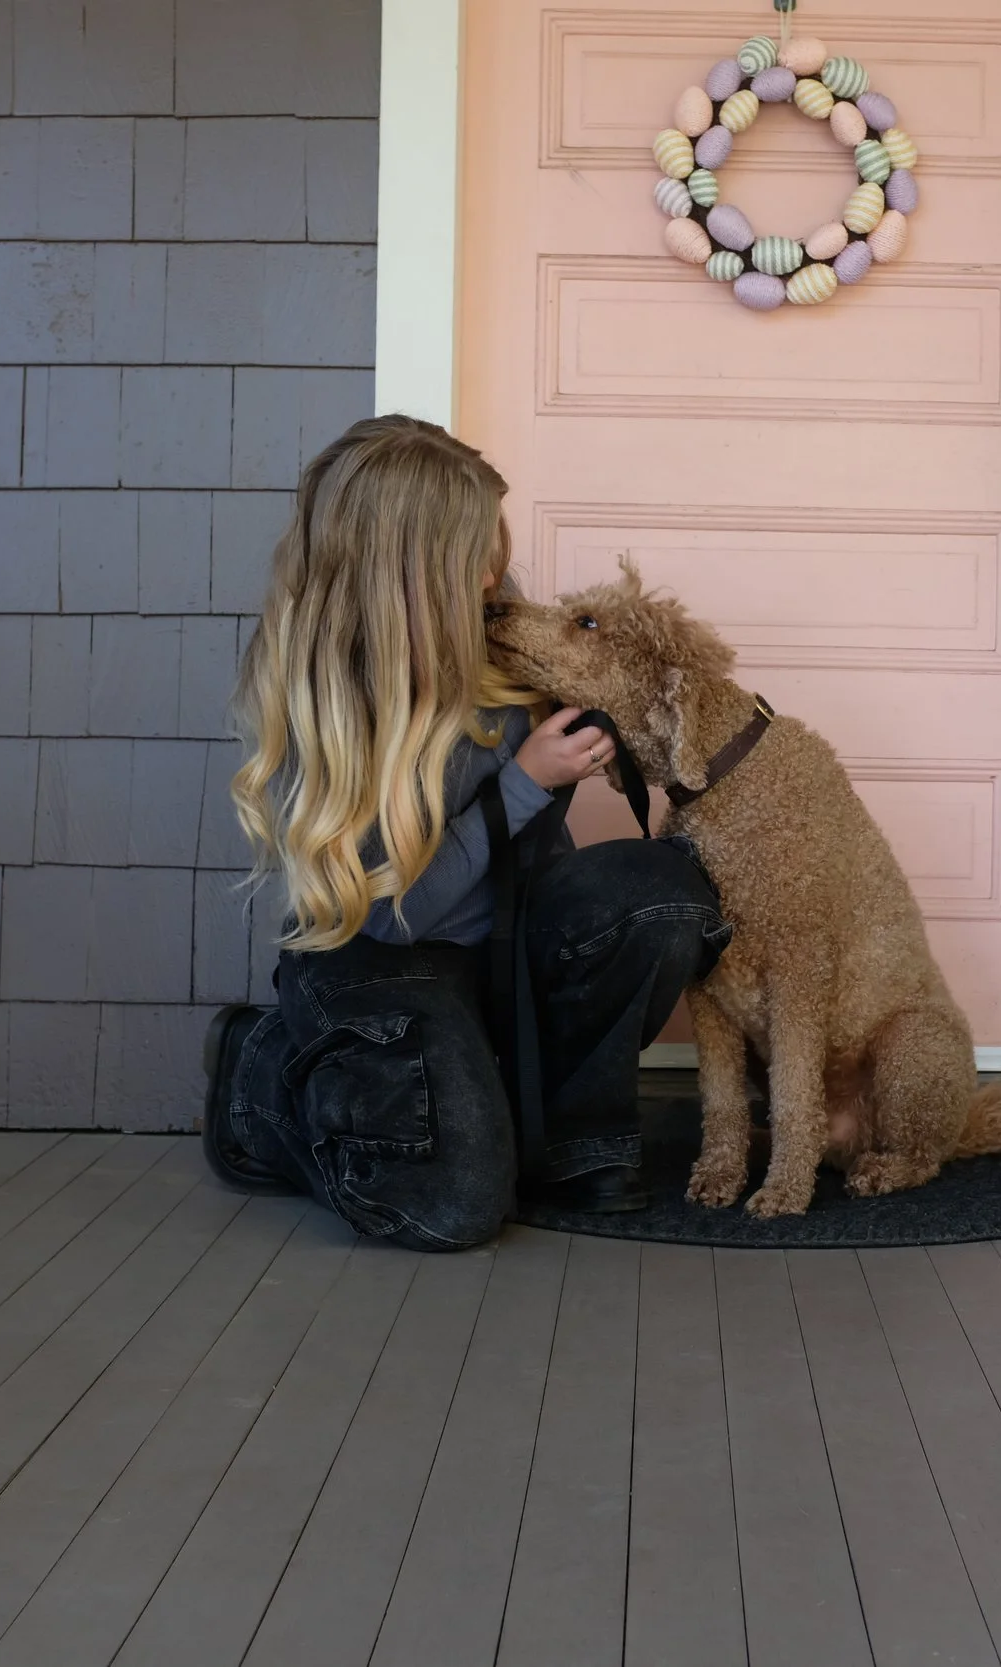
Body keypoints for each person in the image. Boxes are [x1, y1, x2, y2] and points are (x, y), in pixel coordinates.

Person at [202, 415, 729, 1250]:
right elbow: (390, 911)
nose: (496, 573)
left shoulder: (496, 617)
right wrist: (527, 782)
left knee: (664, 900)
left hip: (511, 935)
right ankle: (261, 1083)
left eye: (495, 545)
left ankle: (576, 1141)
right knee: (450, 1204)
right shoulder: (330, 693)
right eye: (474, 554)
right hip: (384, 953)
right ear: (404, 566)